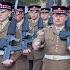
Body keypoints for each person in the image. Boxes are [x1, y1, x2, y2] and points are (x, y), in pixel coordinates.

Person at [32, 6, 70, 70]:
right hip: (48, 65)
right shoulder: (46, 30)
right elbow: (39, 38)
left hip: (65, 65)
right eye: (56, 16)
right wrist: (36, 43)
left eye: (61, 16)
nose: (58, 18)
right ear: (52, 16)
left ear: (66, 18)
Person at [27, 5, 44, 70]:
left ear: (39, 13)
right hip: (27, 53)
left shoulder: (43, 24)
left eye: (36, 12)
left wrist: (42, 45)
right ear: (29, 13)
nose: (33, 14)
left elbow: (47, 38)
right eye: (31, 12)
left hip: (39, 53)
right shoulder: (25, 23)